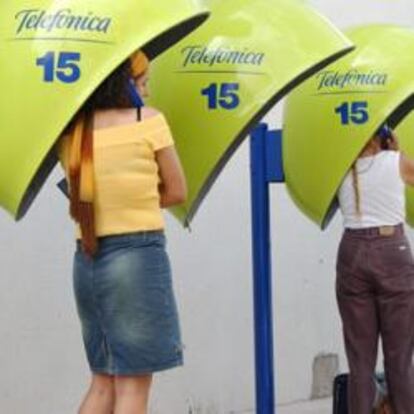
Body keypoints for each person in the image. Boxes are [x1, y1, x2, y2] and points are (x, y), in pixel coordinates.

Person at [56, 50, 187, 414]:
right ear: (123, 85)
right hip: (137, 258)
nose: (146, 93)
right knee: (132, 387)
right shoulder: (149, 122)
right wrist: (141, 196)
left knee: (102, 383)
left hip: (87, 261)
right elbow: (177, 191)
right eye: (142, 83)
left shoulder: (72, 133)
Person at [336, 125, 414, 414]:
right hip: (391, 250)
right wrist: (395, 152)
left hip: (351, 252)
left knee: (360, 362)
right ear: (383, 136)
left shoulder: (339, 168)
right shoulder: (396, 161)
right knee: (399, 358)